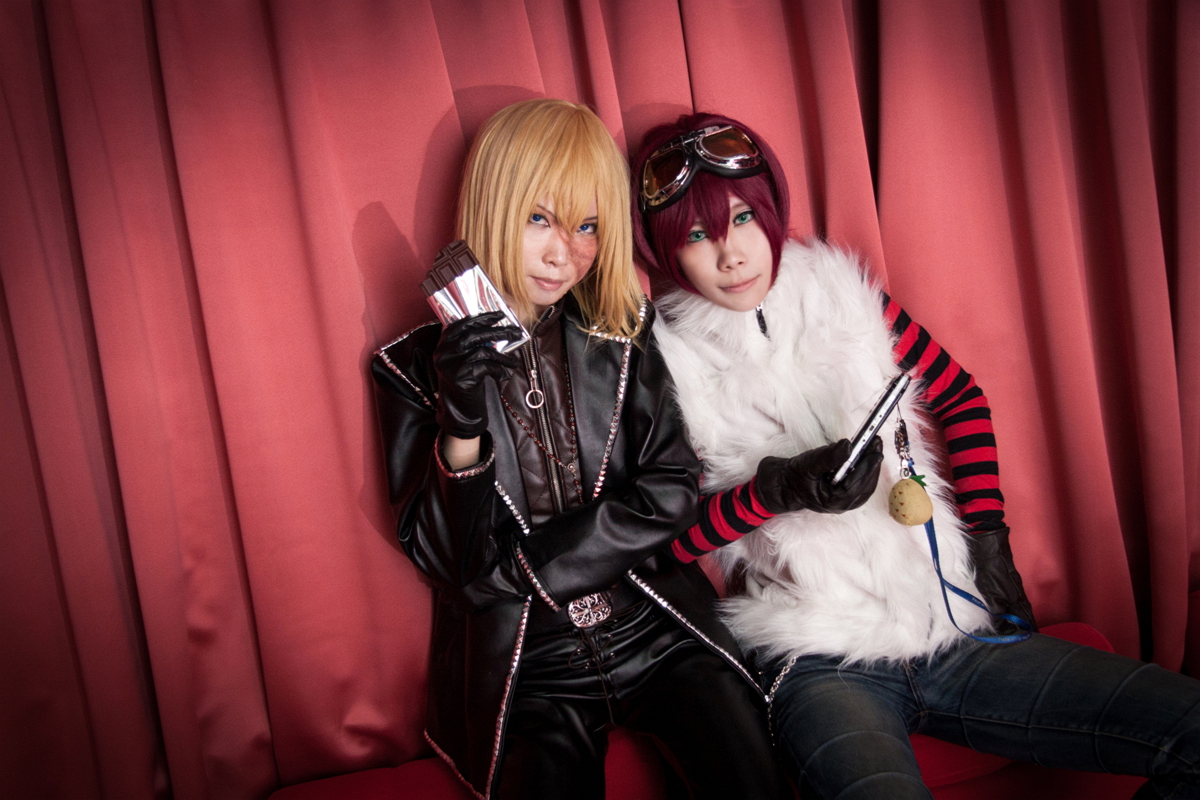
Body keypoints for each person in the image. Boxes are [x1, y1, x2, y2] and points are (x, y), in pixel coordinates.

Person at [631, 112, 1200, 800]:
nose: (732, 254)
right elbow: (668, 542)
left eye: (744, 218)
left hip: (950, 627)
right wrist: (775, 491)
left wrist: (987, 540)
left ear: (771, 210)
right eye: (698, 235)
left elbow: (961, 396)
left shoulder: (843, 296)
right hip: (816, 655)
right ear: (666, 251)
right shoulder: (664, 367)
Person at [371, 99, 789, 800]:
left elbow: (671, 493)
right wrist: (462, 418)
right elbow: (448, 562)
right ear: (494, 205)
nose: (564, 253)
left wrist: (523, 569)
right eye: (540, 219)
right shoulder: (410, 369)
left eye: (587, 225)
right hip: (528, 667)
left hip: (658, 628)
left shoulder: (622, 328)